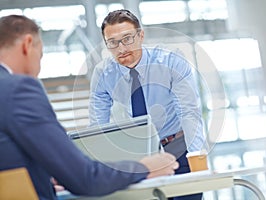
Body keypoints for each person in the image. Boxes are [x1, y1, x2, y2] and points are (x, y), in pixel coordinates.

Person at [0, 15, 179, 200]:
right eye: (41, 56)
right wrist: (145, 167)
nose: (38, 68)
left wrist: (46, 176)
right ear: (27, 44)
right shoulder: (17, 89)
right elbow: (85, 178)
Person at [89, 9, 204, 200]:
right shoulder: (103, 74)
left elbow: (189, 112)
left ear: (141, 36)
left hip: (177, 148)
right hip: (138, 155)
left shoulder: (170, 60)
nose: (121, 48)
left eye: (127, 38)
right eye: (113, 42)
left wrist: (197, 159)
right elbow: (97, 127)